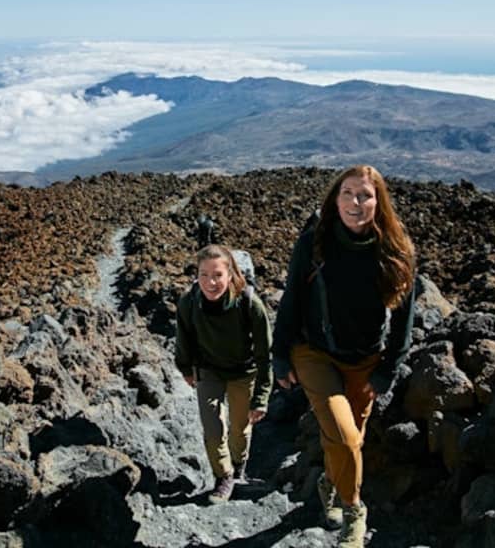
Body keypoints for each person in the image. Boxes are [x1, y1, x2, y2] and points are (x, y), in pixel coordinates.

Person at [272, 165, 416, 548]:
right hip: (314, 353)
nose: (355, 202)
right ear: (335, 200)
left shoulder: (396, 249)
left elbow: (405, 318)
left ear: (379, 202)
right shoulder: (314, 243)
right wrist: (280, 355)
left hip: (365, 361)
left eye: (365, 195)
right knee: (346, 436)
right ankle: (354, 511)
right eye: (347, 193)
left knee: (349, 440)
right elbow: (292, 299)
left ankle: (329, 483)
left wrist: (388, 370)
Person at [175, 244, 273, 504]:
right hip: (208, 371)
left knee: (240, 429)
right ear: (196, 275)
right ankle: (223, 476)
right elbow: (183, 337)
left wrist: (261, 397)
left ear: (230, 275)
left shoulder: (249, 303)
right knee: (212, 429)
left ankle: (238, 468)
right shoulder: (189, 302)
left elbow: (265, 354)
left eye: (218, 275)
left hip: (243, 372)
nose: (211, 282)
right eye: (204, 275)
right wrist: (185, 368)